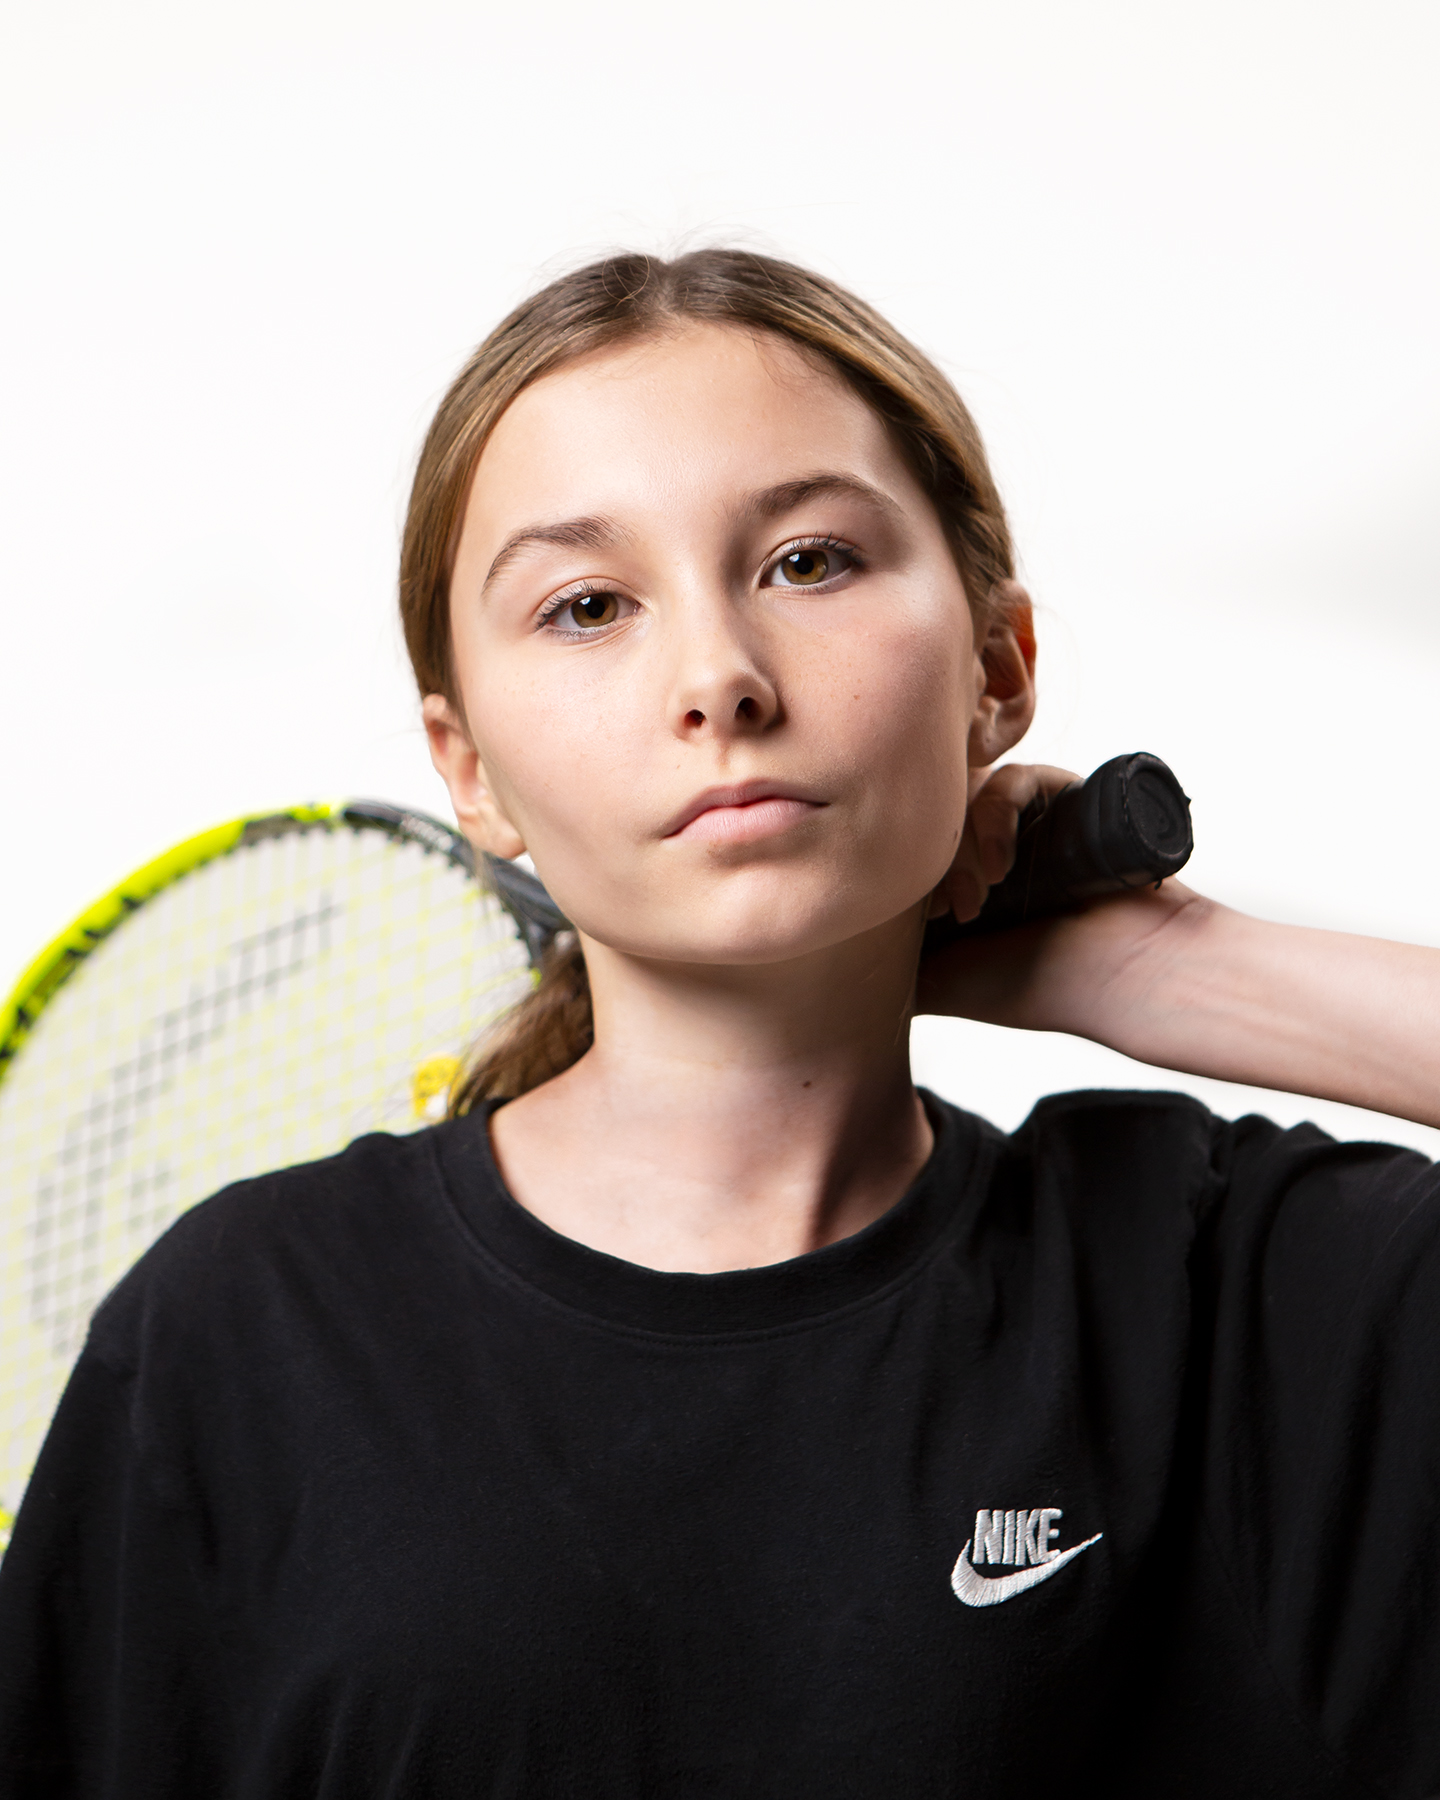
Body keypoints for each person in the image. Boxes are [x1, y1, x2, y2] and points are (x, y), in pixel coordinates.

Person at [2, 249, 1438, 1798]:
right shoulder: (242, 1334)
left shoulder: (1230, 1284)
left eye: (809, 562)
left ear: (999, 669)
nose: (718, 678)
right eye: (587, 604)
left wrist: (1174, 975)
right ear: (467, 765)